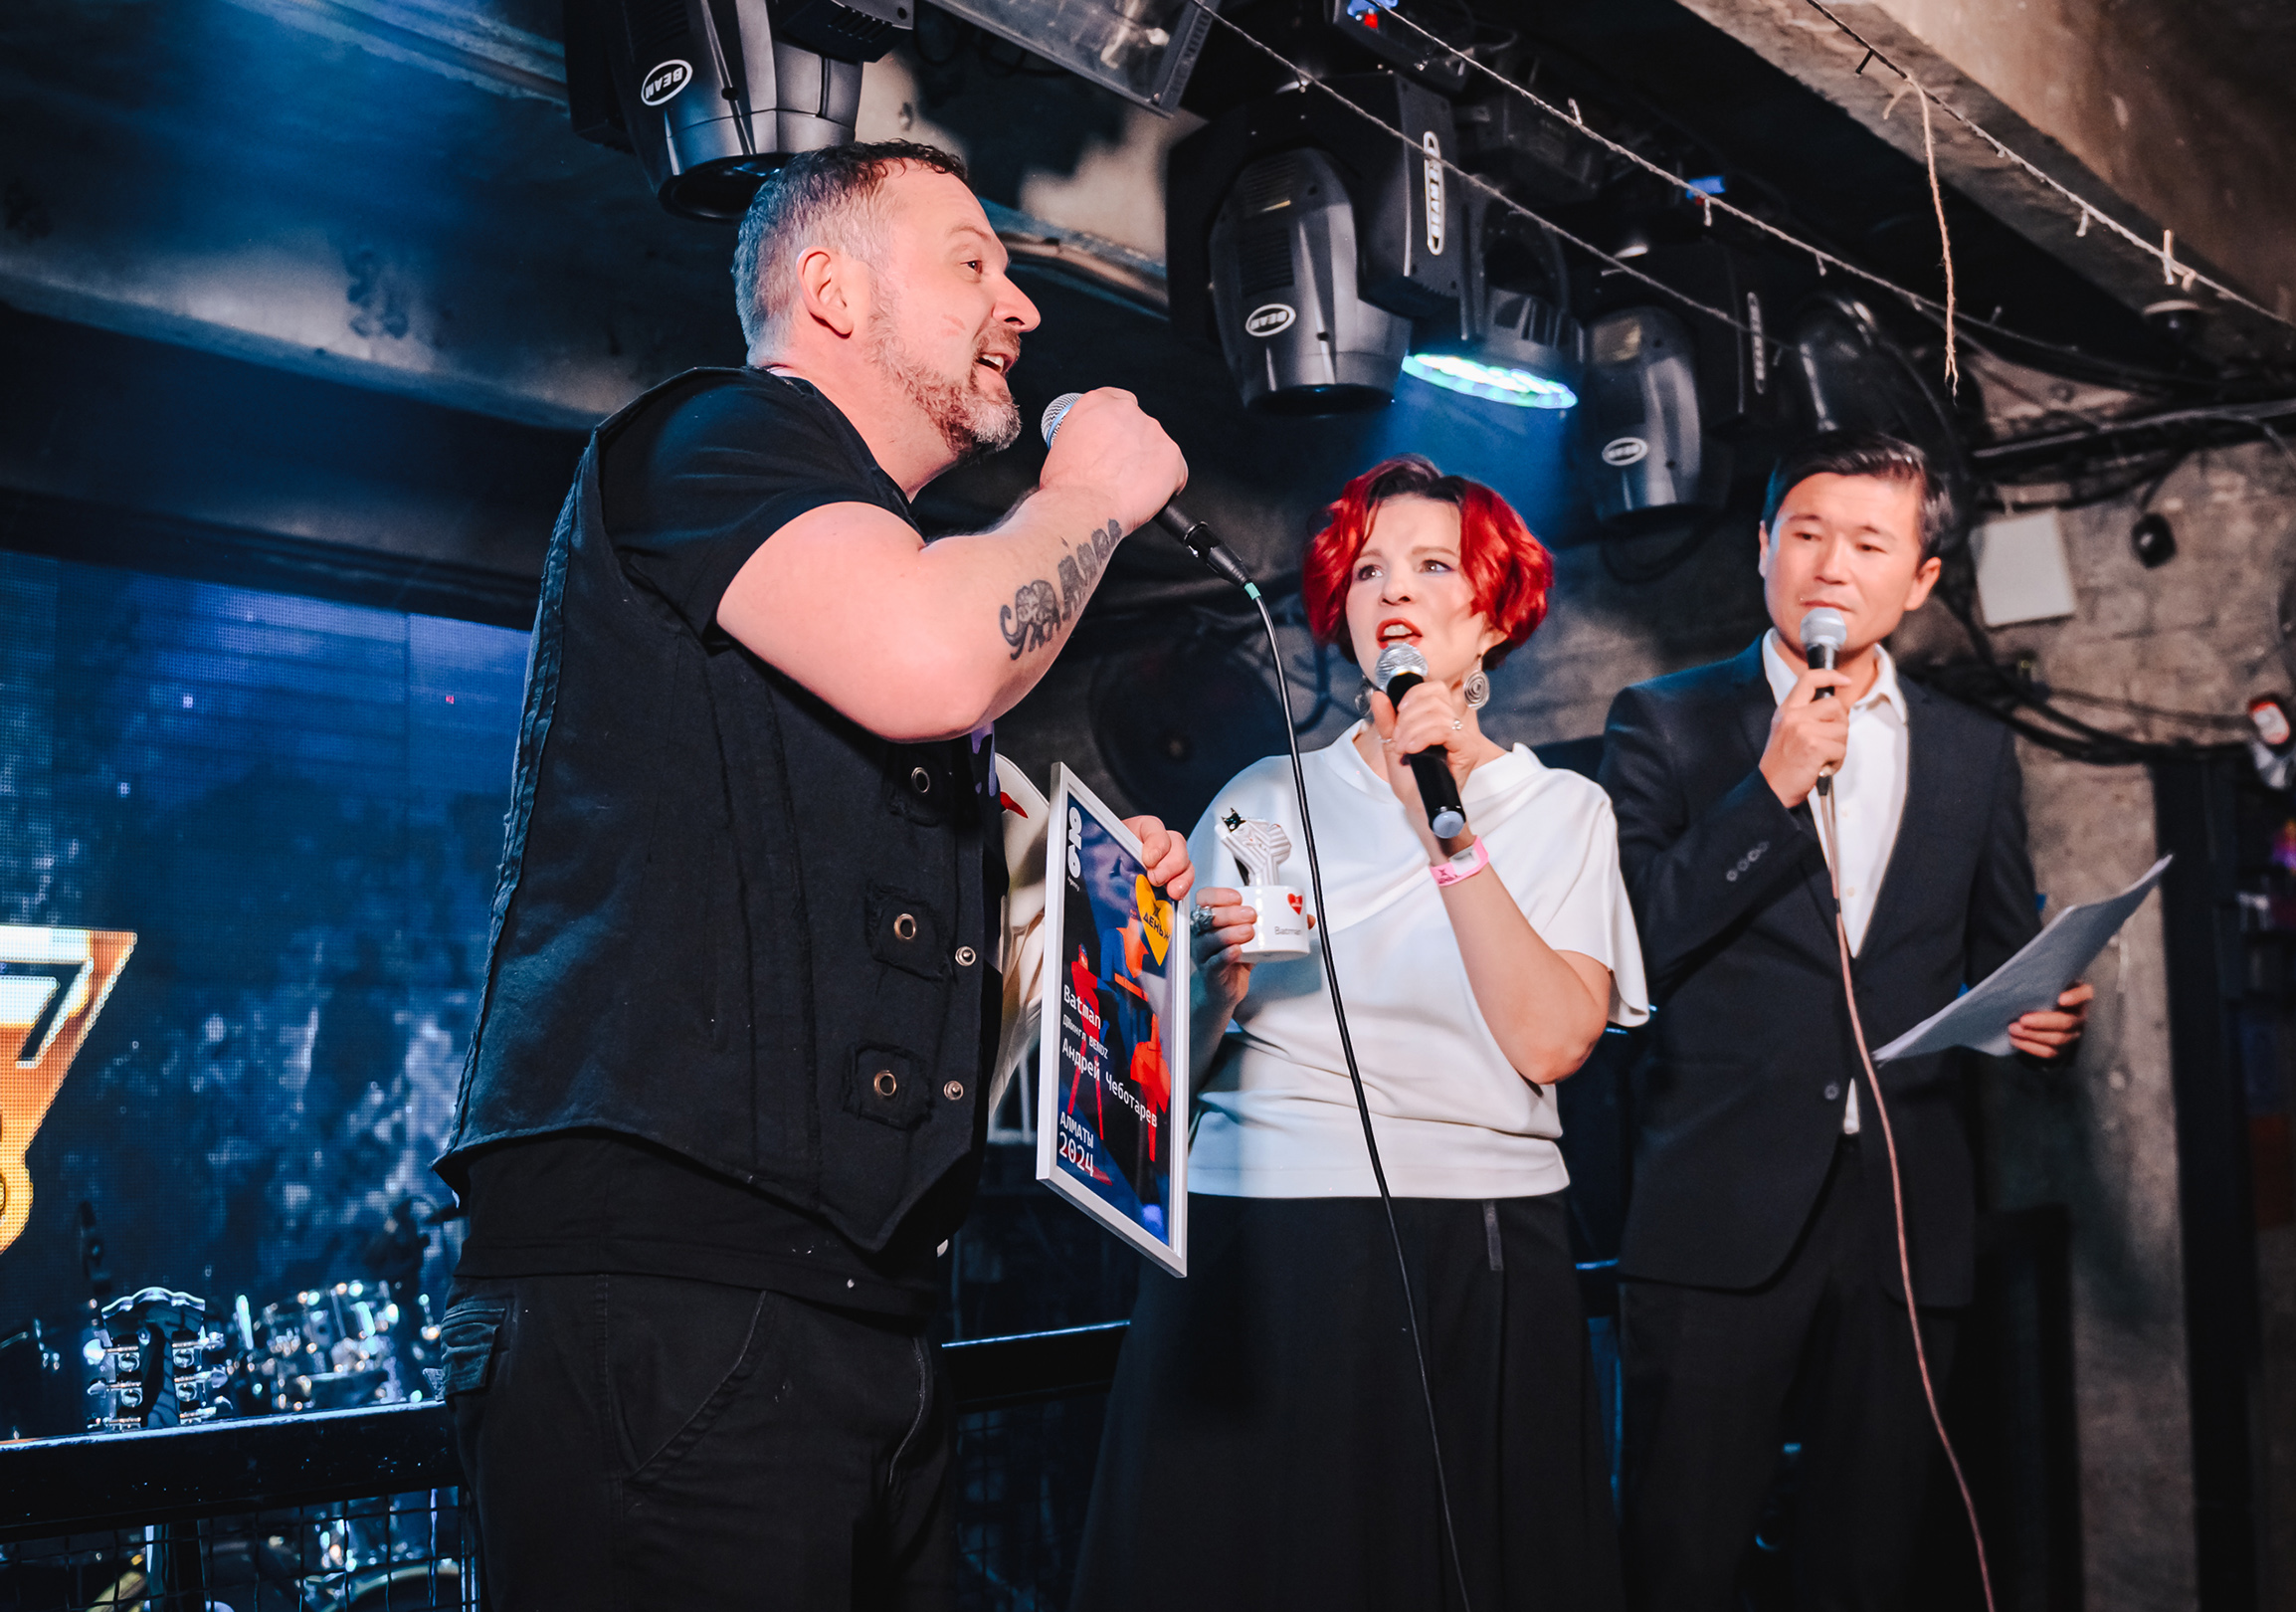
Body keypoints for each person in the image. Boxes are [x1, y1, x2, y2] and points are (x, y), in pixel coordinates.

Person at [432, 142, 1195, 1610]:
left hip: (861, 1310)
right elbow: (934, 658)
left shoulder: (883, 577)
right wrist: (1088, 496)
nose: (1022, 304)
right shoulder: (710, 436)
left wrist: (1102, 912)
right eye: (972, 262)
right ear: (831, 291)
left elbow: (915, 974)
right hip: (672, 1305)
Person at [1071, 455, 1649, 1612]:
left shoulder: (1561, 811)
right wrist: (1209, 985)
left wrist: (1441, 827)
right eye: (1369, 569)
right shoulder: (1259, 799)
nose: (1394, 591)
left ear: (1493, 615)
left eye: (1434, 566)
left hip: (1475, 1238)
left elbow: (1549, 1044)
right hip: (1259, 1228)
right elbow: (1152, 1082)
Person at [1598, 429, 2093, 1610]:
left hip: (1904, 1219)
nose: (1831, 564)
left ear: (1919, 580)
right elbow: (1627, 946)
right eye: (1807, 533)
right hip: (1716, 1213)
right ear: (1760, 547)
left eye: (1869, 543)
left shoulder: (1972, 752)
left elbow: (1993, 957)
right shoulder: (1664, 721)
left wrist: (2033, 1019)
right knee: (1678, 1553)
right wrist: (1767, 789)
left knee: (1868, 1559)